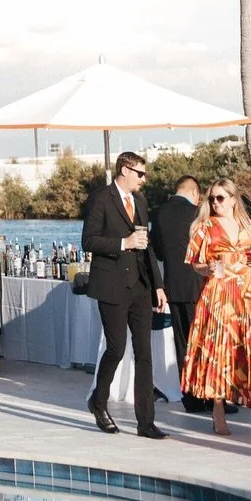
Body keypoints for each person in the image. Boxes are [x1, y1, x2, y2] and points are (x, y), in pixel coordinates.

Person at [182, 177, 251, 442]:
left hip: (248, 296)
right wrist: (208, 269)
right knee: (220, 351)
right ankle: (218, 411)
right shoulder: (205, 228)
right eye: (212, 198)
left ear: (233, 199)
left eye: (220, 198)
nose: (215, 203)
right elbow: (195, 264)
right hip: (218, 294)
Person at [82, 151, 167, 439]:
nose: (144, 179)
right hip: (112, 285)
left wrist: (158, 285)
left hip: (141, 286)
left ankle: (146, 422)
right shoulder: (101, 198)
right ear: (125, 170)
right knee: (116, 349)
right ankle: (98, 400)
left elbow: (147, 245)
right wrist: (123, 242)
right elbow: (88, 240)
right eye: (140, 173)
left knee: (144, 354)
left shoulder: (140, 201)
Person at [150, 176, 207, 412]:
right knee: (204, 342)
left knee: (182, 343)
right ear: (194, 192)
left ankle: (190, 398)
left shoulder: (159, 213)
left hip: (173, 286)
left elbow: (158, 252)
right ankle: (211, 397)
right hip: (198, 284)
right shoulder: (197, 213)